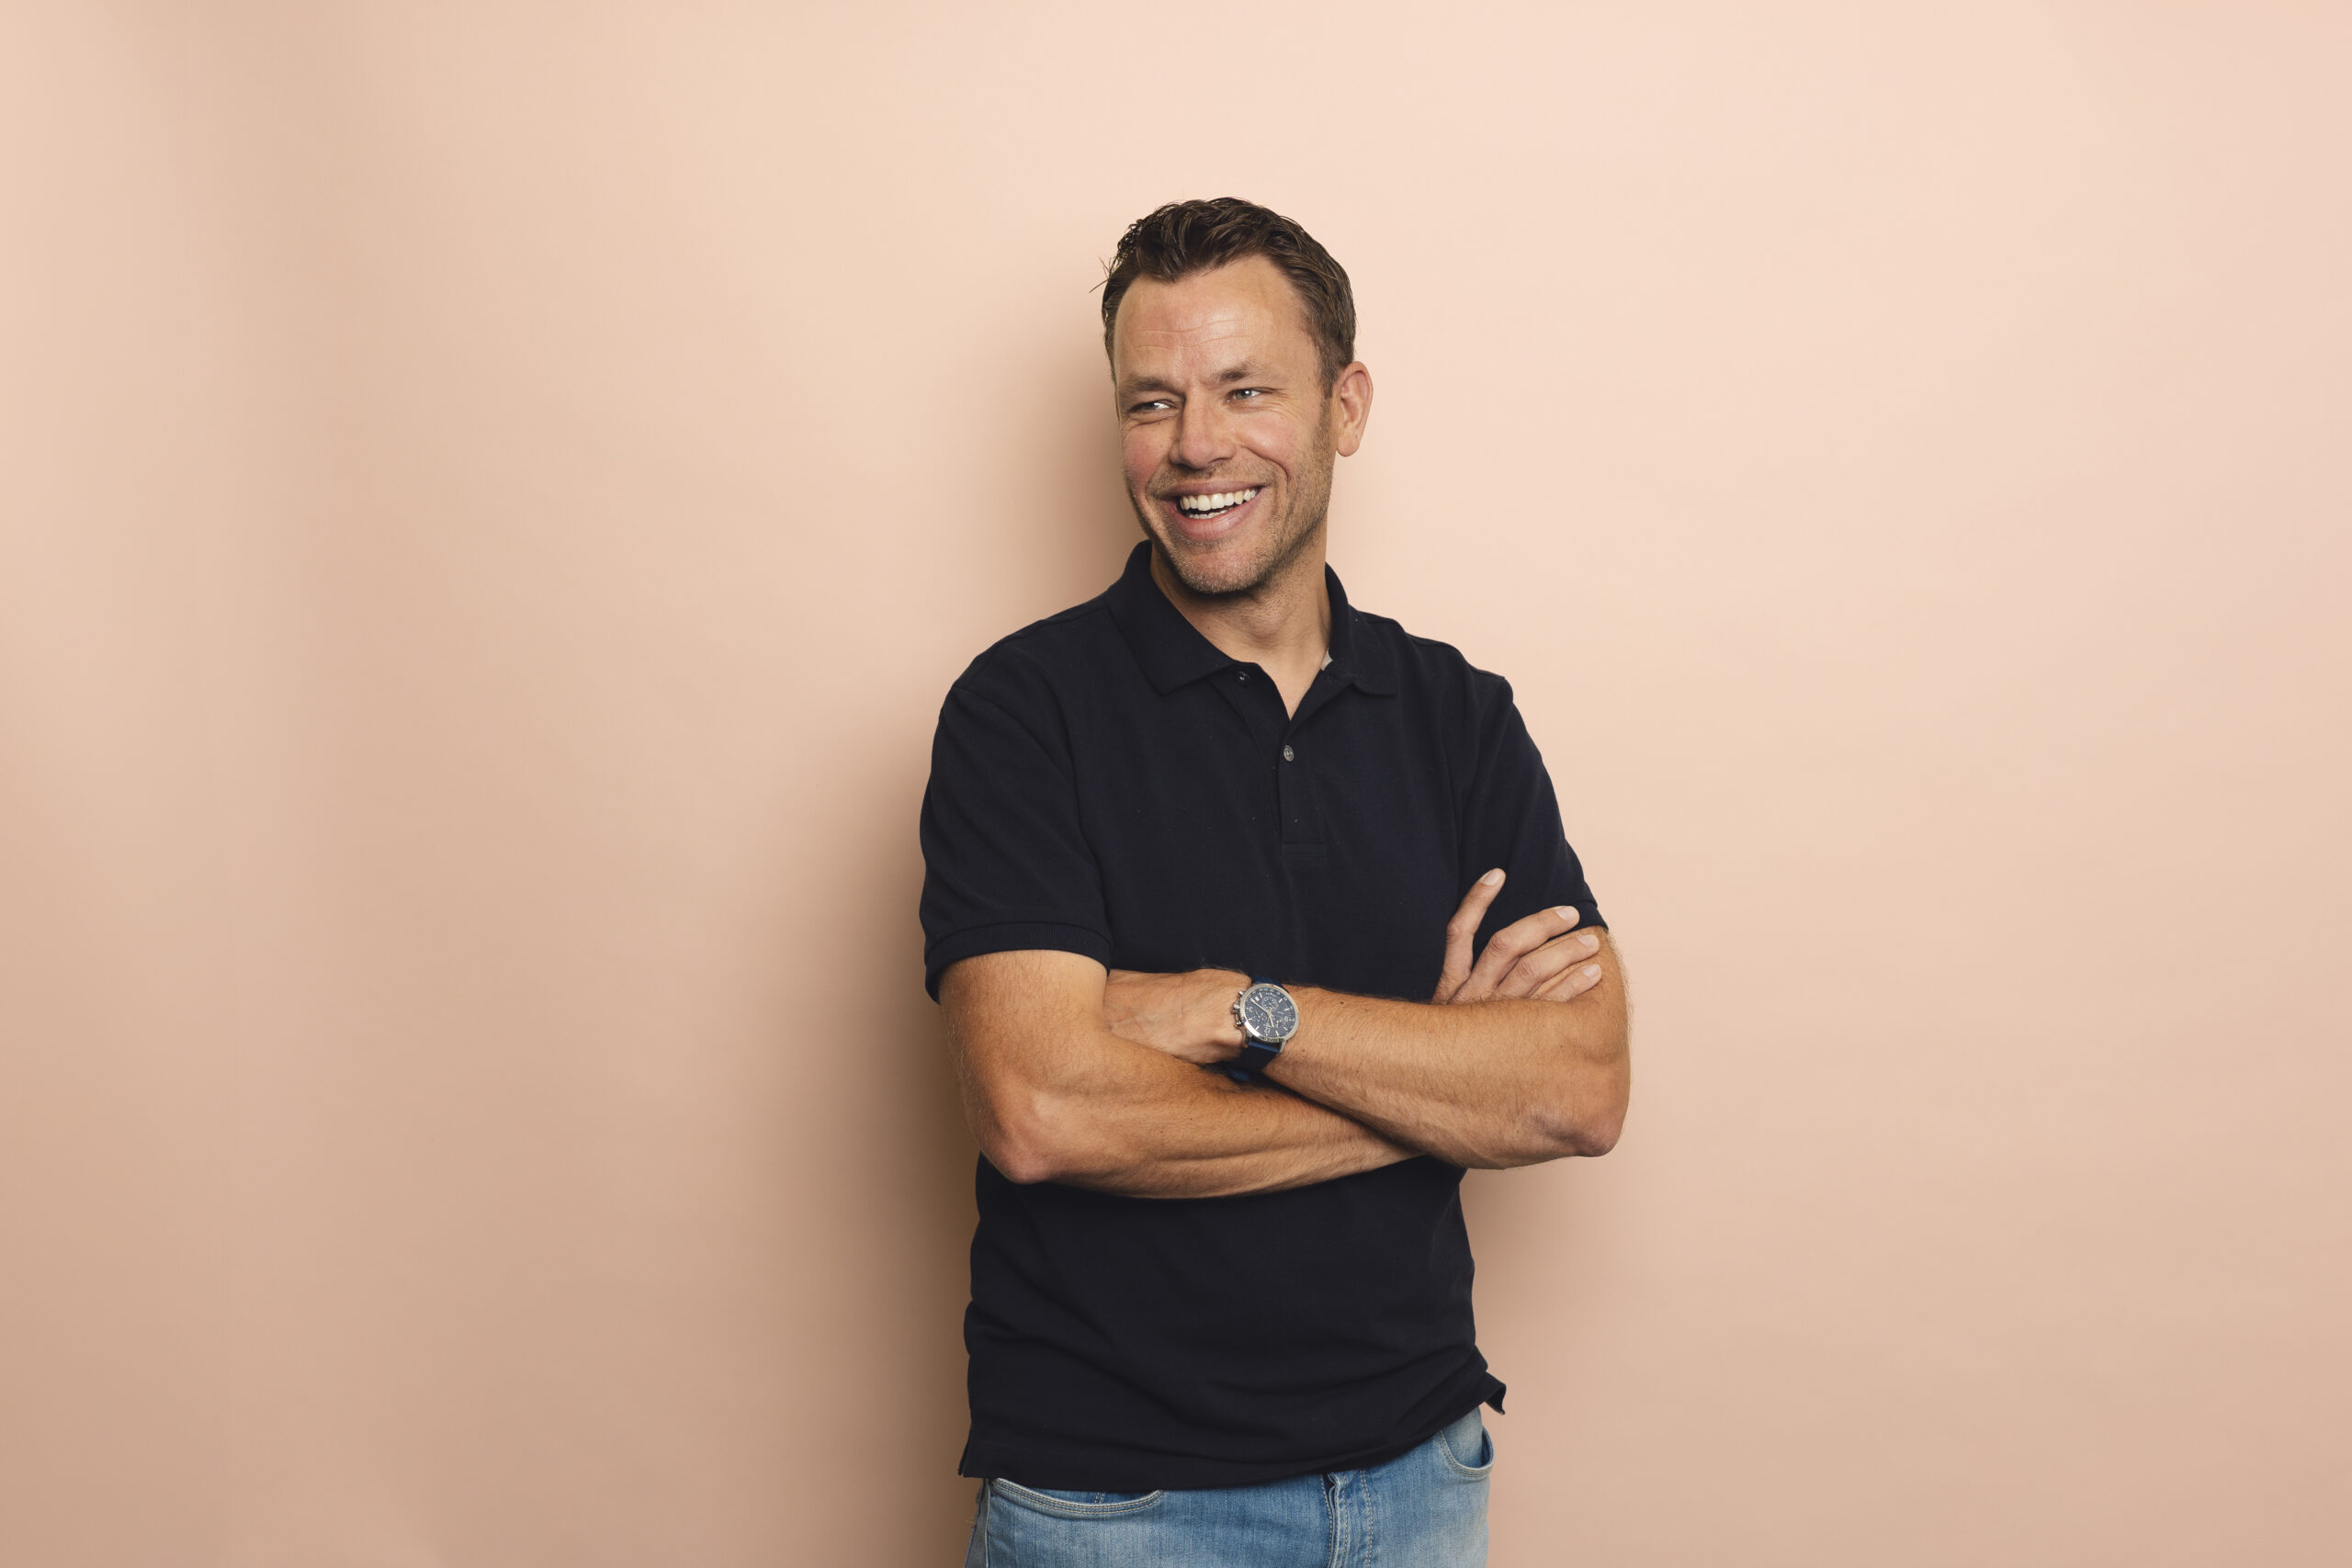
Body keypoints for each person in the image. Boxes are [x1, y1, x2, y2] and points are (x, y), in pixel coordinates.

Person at [919, 197, 1631, 1568]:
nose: (1196, 445)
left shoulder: (1458, 716)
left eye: (1246, 390)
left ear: (1344, 407)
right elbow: (1044, 1111)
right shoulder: (1021, 714)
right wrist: (1443, 1090)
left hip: (1421, 1477)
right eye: (1153, 401)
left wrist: (1235, 1011)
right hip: (1116, 1507)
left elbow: (1581, 1088)